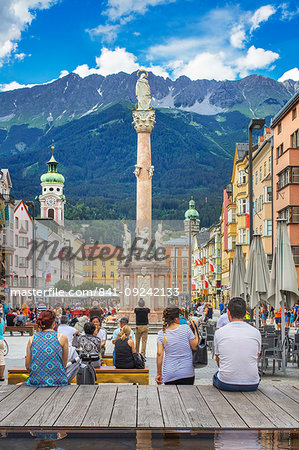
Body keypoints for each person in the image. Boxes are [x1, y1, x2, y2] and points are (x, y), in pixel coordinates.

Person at [213, 297, 261, 392]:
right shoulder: (256, 332)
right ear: (245, 314)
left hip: (226, 383)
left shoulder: (220, 332)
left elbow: (218, 359)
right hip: (252, 383)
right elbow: (256, 357)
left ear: (229, 313)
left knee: (215, 376)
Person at [156, 307, 199, 385]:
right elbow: (194, 346)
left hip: (169, 373)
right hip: (187, 372)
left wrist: (159, 373)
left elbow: (159, 354)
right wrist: (195, 330)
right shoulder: (186, 328)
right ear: (176, 319)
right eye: (179, 316)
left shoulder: (161, 333)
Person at [25, 310, 68, 387]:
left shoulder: (32, 339)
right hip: (58, 380)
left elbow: (27, 366)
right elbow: (64, 364)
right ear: (54, 323)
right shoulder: (62, 337)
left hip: (36, 381)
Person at [0, 312, 5, 381]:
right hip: (1, 340)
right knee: (1, 359)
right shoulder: (2, 320)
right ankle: (1, 376)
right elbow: (3, 331)